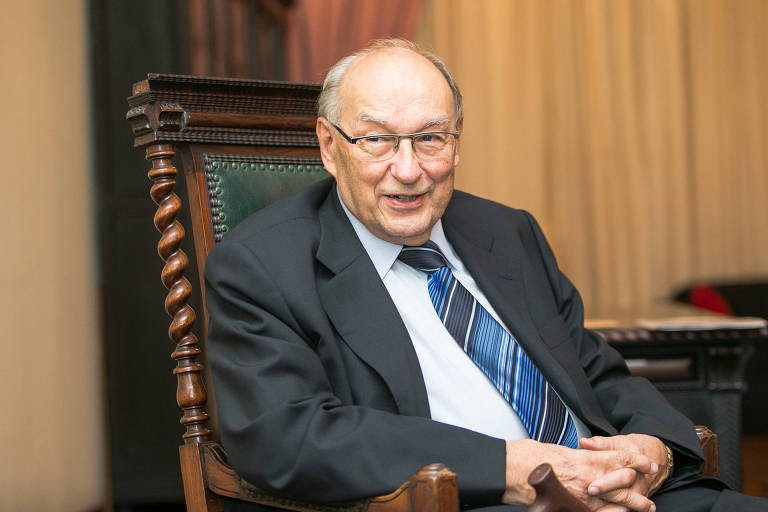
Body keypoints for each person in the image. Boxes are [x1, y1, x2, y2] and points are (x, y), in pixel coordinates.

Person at [205, 39, 767, 511]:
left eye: (430, 138)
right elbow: (288, 436)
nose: (408, 170)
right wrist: (509, 466)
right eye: (376, 140)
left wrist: (654, 447)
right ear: (330, 146)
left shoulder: (506, 231)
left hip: (620, 495)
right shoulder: (262, 265)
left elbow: (594, 371)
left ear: (456, 141)